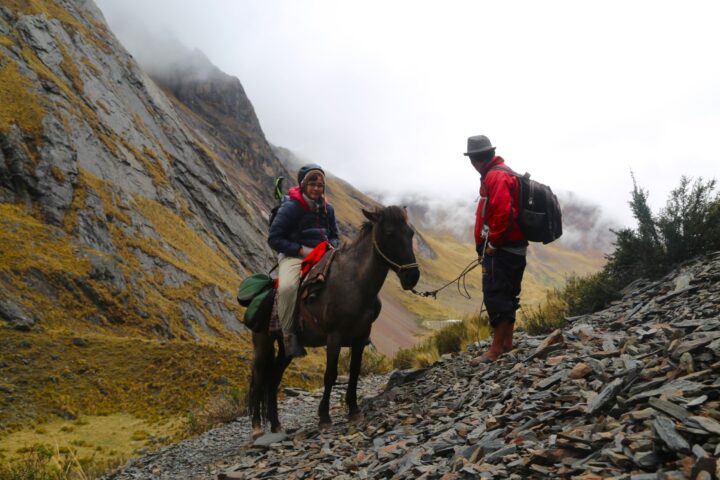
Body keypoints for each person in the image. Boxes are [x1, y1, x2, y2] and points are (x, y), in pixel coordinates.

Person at [465, 135, 528, 362]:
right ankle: (507, 343)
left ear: (475, 159)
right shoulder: (503, 172)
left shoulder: (496, 176)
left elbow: (502, 213)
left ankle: (495, 350)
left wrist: (492, 243)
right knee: (508, 294)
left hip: (502, 250)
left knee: (496, 296)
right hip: (512, 247)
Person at [268, 164, 340, 358]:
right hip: (294, 257)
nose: (316, 188)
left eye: (320, 185)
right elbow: (274, 238)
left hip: (324, 255)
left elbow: (334, 235)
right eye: (312, 184)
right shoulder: (291, 207)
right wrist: (300, 250)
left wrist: (329, 247)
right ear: (303, 185)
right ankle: (288, 335)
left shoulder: (328, 209)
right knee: (287, 288)